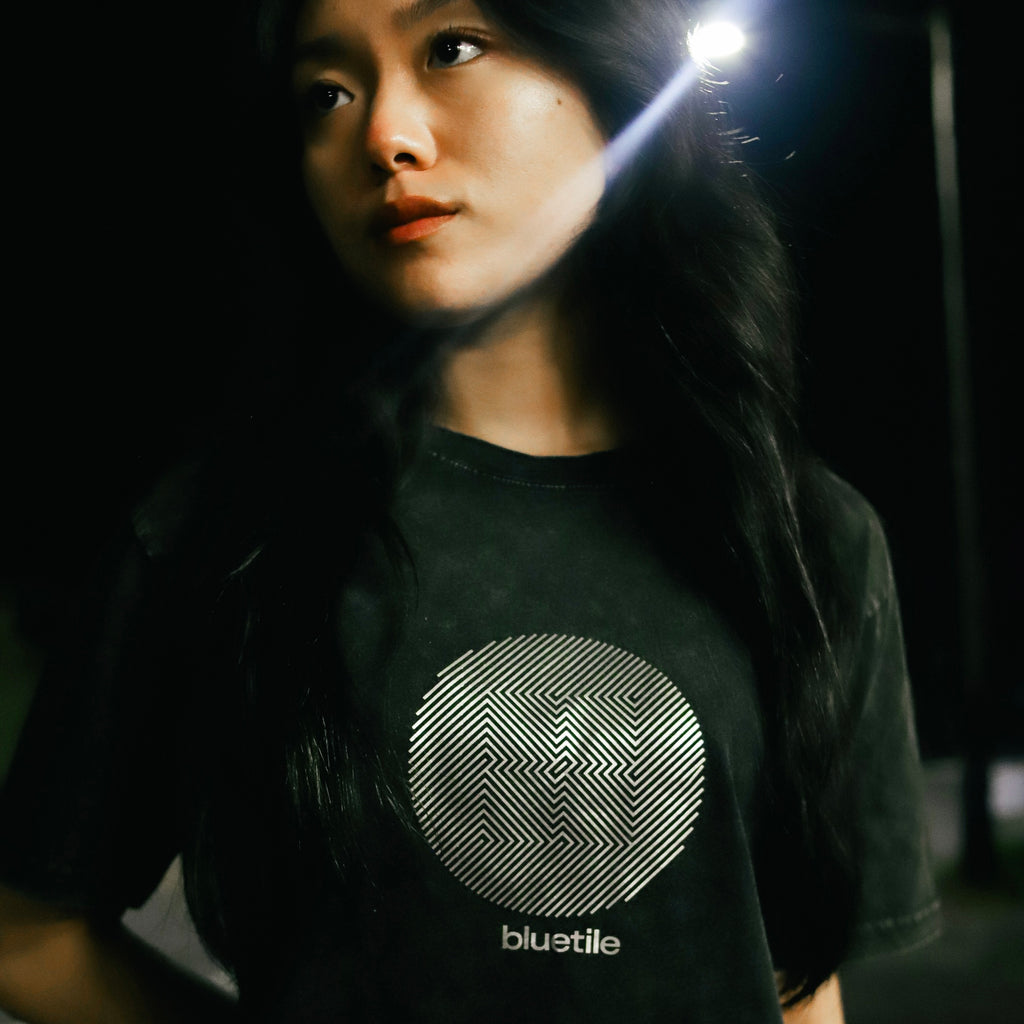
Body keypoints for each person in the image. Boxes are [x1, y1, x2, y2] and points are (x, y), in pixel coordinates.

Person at [0, 0, 939, 1020]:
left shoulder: (806, 542)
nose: (384, 135)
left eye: (451, 48)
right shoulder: (217, 534)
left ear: (613, 80)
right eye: (327, 92)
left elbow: (798, 988)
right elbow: (29, 938)